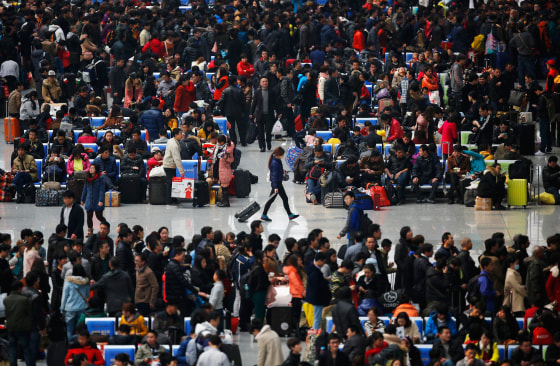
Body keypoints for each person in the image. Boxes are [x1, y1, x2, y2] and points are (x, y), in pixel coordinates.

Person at [261, 147, 299, 221]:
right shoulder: (275, 163)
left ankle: (289, 214)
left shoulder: (276, 160)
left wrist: (282, 171)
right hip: (277, 184)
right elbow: (274, 176)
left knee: (281, 199)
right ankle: (264, 215)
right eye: (282, 154)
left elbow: (277, 171)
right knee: (273, 200)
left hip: (278, 184)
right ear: (279, 154)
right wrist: (275, 187)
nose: (283, 156)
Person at [4, 280, 34, 366]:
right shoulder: (24, 300)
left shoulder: (6, 299)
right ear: (19, 288)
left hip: (10, 327)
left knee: (12, 348)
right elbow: (29, 313)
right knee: (26, 348)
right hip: (22, 327)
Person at [250, 76, 280, 152]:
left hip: (269, 115)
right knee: (260, 132)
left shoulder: (272, 91)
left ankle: (268, 142)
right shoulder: (257, 92)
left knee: (268, 131)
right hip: (260, 115)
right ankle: (262, 146)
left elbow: (275, 103)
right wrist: (251, 113)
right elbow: (254, 103)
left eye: (266, 81)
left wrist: (279, 112)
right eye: (263, 81)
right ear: (260, 83)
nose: (265, 83)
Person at [61, 263, 90, 340]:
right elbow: (87, 295)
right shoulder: (86, 282)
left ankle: (70, 345)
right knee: (80, 329)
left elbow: (64, 297)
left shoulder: (68, 282)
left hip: (70, 308)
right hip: (82, 308)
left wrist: (62, 308)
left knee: (69, 328)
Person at [305, 251, 331, 330]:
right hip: (317, 298)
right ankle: (314, 334)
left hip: (312, 297)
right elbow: (317, 285)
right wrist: (325, 283)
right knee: (317, 318)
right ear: (319, 260)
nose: (324, 264)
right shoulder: (315, 272)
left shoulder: (310, 267)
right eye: (323, 262)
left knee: (315, 317)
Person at [218, 75, 246, 146]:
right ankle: (243, 141)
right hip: (239, 112)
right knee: (241, 127)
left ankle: (233, 142)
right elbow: (243, 103)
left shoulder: (225, 90)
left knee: (231, 128)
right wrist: (244, 111)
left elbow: (221, 101)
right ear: (234, 82)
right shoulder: (240, 91)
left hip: (229, 112)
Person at [81, 164, 106, 237]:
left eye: (93, 168)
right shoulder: (87, 179)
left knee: (99, 216)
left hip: (97, 199)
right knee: (89, 216)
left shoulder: (100, 178)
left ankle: (105, 227)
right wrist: (82, 199)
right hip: (89, 200)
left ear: (96, 169)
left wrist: (101, 200)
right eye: (90, 168)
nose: (91, 169)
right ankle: (90, 231)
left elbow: (102, 190)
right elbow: (85, 190)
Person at [163, 128, 184, 204]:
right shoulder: (174, 145)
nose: (182, 135)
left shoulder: (171, 140)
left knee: (172, 183)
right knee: (170, 184)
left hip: (169, 165)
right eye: (180, 134)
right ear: (176, 135)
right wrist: (181, 171)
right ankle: (169, 200)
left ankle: (173, 199)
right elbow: (177, 158)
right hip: (169, 165)